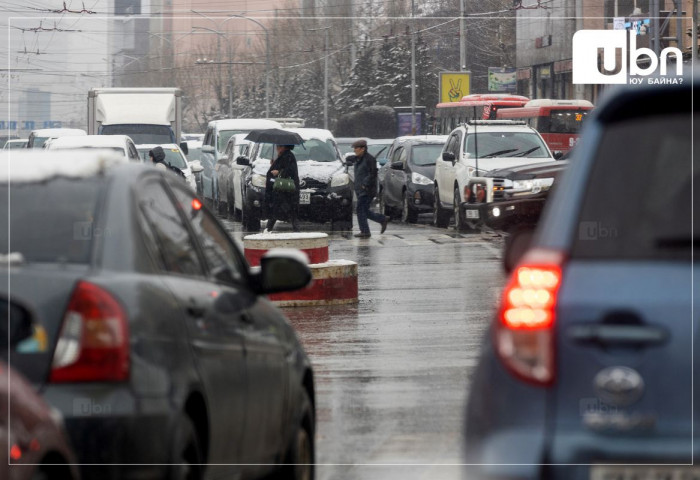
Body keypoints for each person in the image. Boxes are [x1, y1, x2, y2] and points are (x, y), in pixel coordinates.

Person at [348, 139, 388, 238]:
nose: (354, 150)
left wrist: (365, 184)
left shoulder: (369, 159)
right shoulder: (359, 159)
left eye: (356, 148)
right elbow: (350, 159)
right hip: (360, 189)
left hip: (367, 190)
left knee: (360, 209)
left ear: (362, 149)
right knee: (364, 211)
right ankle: (382, 219)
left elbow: (373, 174)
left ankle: (365, 231)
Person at [265, 144, 300, 232]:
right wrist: (274, 164)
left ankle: (267, 230)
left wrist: (279, 172)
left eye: (278, 146)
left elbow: (291, 170)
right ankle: (296, 231)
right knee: (290, 212)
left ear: (283, 147)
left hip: (285, 191)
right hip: (283, 191)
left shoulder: (288, 156)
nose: (277, 148)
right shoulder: (284, 156)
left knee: (279, 211)